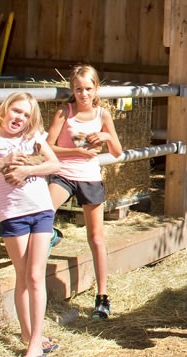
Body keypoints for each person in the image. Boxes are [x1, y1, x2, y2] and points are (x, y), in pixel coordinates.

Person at [0, 92, 62, 357]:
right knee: (23, 275)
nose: (19, 118)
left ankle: (35, 342)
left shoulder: (33, 139)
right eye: (16, 111)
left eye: (26, 115)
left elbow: (55, 164)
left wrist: (26, 169)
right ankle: (27, 333)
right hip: (13, 216)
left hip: (41, 210)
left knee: (35, 275)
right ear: (4, 110)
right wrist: (1, 164)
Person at [46, 64, 125, 319]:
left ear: (96, 89)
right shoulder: (65, 111)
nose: (84, 94)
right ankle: (51, 234)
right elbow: (48, 146)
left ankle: (102, 297)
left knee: (96, 237)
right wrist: (75, 151)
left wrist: (105, 137)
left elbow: (117, 152)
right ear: (72, 89)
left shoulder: (103, 114)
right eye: (78, 89)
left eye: (88, 89)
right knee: (43, 210)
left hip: (89, 177)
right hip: (64, 173)